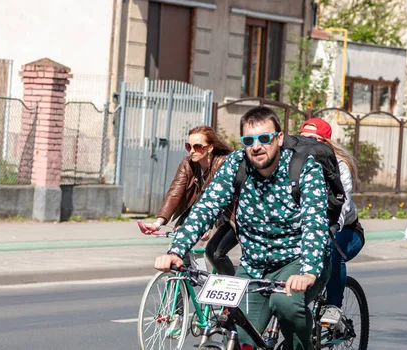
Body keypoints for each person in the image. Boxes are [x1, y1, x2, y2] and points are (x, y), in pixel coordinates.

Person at [154, 106, 331, 350]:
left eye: (264, 138)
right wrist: (176, 250)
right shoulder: (237, 165)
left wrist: (308, 272)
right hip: (254, 266)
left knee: (285, 304)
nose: (256, 146)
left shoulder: (303, 168)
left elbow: (315, 223)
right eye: (249, 140)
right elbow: (207, 207)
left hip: (298, 261)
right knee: (239, 336)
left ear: (279, 138)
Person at [139, 125, 238, 276]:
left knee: (215, 253)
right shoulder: (188, 164)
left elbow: (216, 200)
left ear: (210, 147)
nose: (192, 150)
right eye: (188, 146)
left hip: (229, 217)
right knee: (177, 257)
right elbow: (175, 192)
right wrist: (157, 223)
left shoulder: (223, 164)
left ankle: (230, 288)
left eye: (197, 147)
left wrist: (208, 227)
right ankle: (178, 298)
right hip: (199, 215)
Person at [299, 118, 365, 329]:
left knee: (332, 251)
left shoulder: (340, 166)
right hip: (308, 229)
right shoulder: (293, 162)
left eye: (313, 139)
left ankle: (333, 306)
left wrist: (331, 228)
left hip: (345, 230)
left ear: (325, 142)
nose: (307, 143)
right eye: (303, 138)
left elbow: (343, 205)